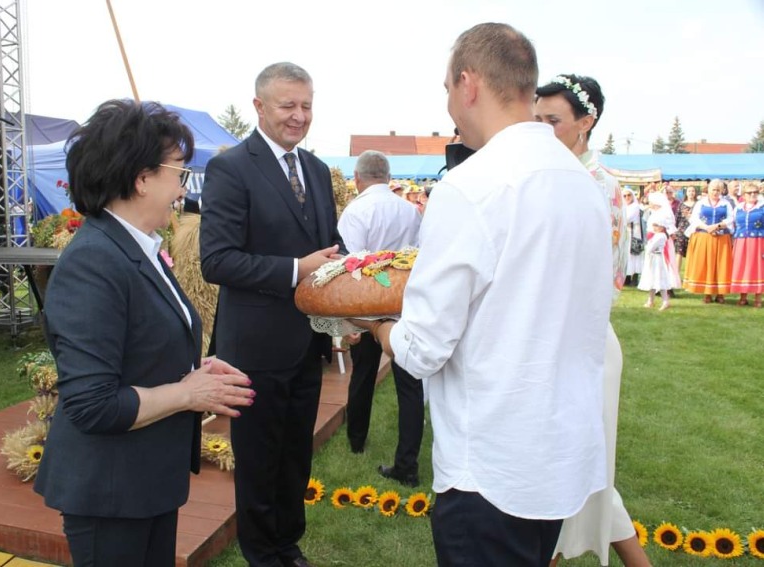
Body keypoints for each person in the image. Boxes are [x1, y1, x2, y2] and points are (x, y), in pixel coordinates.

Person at [353, 23, 612, 566]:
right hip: (556, 453)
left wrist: (375, 325)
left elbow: (424, 348)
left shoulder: (471, 185)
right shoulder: (580, 181)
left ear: (468, 84)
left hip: (491, 467)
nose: (449, 104)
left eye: (448, 88)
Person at [33, 99, 255, 567]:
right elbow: (93, 404)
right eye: (179, 172)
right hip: (110, 492)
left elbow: (136, 344)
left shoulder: (135, 248)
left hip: (144, 480)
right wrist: (189, 392)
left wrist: (192, 368)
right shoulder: (95, 260)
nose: (182, 188)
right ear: (141, 178)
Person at [199, 62, 345, 567]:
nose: (299, 116)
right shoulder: (231, 168)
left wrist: (355, 287)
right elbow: (217, 260)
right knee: (260, 461)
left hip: (307, 343)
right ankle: (263, 554)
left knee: (294, 457)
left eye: (306, 105)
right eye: (288, 105)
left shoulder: (318, 171)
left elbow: (329, 247)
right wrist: (295, 269)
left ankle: (288, 544)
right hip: (255, 349)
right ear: (259, 106)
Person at [534, 75, 651, 567]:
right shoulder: (549, 174)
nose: (541, 130)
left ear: (586, 123)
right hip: (555, 340)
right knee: (575, 474)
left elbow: (605, 279)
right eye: (536, 119)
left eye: (552, 121)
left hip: (581, 344)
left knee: (571, 473)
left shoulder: (598, 185)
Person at [337, 150, 423, 486]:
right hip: (403, 304)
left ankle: (356, 441)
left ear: (357, 178)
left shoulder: (355, 211)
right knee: (409, 385)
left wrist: (348, 321)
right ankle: (407, 462)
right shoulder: (409, 210)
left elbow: (349, 268)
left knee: (363, 374)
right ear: (387, 178)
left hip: (367, 308)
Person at [683, 178, 734, 304]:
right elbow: (694, 219)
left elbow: (731, 218)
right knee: (706, 264)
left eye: (718, 190)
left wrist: (717, 226)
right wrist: (707, 228)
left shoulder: (726, 204)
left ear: (721, 191)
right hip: (704, 236)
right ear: (709, 190)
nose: (715, 192)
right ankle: (707, 293)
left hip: (721, 238)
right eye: (713, 190)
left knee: (721, 265)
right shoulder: (701, 203)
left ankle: (721, 293)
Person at [730, 181, 764, 307]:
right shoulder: (738, 208)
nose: (752, 195)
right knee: (742, 267)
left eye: (755, 192)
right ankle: (743, 296)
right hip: (740, 242)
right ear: (744, 195)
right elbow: (731, 223)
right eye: (749, 193)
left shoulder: (762, 207)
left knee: (757, 268)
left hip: (758, 242)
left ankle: (758, 298)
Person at [638, 217, 674, 310]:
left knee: (659, 279)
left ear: (662, 227)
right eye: (654, 225)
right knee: (652, 279)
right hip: (654, 259)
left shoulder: (660, 236)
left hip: (657, 260)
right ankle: (650, 301)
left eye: (656, 226)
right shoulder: (658, 235)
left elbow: (650, 248)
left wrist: (647, 247)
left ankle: (665, 301)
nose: (654, 227)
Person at [623, 187, 645, 286]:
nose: (627, 197)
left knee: (635, 254)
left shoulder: (635, 206)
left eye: (629, 195)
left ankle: (635, 277)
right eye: (624, 196)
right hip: (626, 232)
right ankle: (627, 277)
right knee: (626, 255)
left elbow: (628, 218)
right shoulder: (624, 206)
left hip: (635, 233)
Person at [674, 186, 698, 258]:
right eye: (689, 191)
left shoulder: (698, 204)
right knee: (679, 252)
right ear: (686, 193)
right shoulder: (681, 204)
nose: (691, 193)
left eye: (693, 191)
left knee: (693, 252)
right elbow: (677, 218)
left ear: (695, 193)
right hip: (682, 230)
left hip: (694, 230)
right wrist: (675, 230)